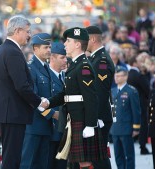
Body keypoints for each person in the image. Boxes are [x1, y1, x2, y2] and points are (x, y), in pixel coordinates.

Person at [44, 27, 108, 168]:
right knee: (76, 163)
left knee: (84, 162)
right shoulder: (75, 65)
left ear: (78, 44)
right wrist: (49, 102)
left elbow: (91, 97)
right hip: (74, 119)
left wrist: (91, 124)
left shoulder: (83, 66)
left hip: (82, 120)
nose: (65, 44)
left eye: (68, 41)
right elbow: (67, 95)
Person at [0, 15, 44, 169]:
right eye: (27, 31)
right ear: (17, 30)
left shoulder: (3, 49)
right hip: (12, 113)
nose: (29, 35)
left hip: (8, 112)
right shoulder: (12, 51)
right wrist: (39, 102)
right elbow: (21, 86)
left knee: (9, 156)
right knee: (12, 158)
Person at [20, 33, 56, 169]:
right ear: (35, 48)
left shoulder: (45, 67)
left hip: (45, 126)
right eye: (45, 47)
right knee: (28, 163)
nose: (49, 50)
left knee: (42, 164)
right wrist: (52, 114)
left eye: (49, 47)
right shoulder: (31, 68)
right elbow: (33, 98)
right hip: (33, 125)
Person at [85, 26, 115, 169]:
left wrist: (94, 117)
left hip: (100, 116)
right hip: (99, 115)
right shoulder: (96, 59)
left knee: (99, 157)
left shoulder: (101, 61)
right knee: (97, 156)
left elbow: (101, 94)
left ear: (92, 39)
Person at [111, 66, 141, 169]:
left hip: (126, 128)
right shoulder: (113, 91)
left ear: (126, 77)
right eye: (116, 75)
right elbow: (112, 110)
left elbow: (136, 111)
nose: (117, 78)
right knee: (118, 155)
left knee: (129, 155)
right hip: (115, 128)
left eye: (119, 76)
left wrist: (136, 128)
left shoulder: (131, 91)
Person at [47, 42, 67, 169]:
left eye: (66, 57)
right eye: (62, 57)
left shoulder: (66, 76)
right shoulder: (45, 76)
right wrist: (52, 114)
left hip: (64, 131)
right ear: (52, 58)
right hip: (50, 129)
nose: (66, 60)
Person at [127, 56, 151, 155]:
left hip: (128, 102)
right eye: (139, 62)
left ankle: (128, 145)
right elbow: (147, 89)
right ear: (135, 63)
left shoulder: (127, 75)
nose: (141, 64)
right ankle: (143, 146)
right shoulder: (139, 75)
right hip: (140, 103)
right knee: (143, 124)